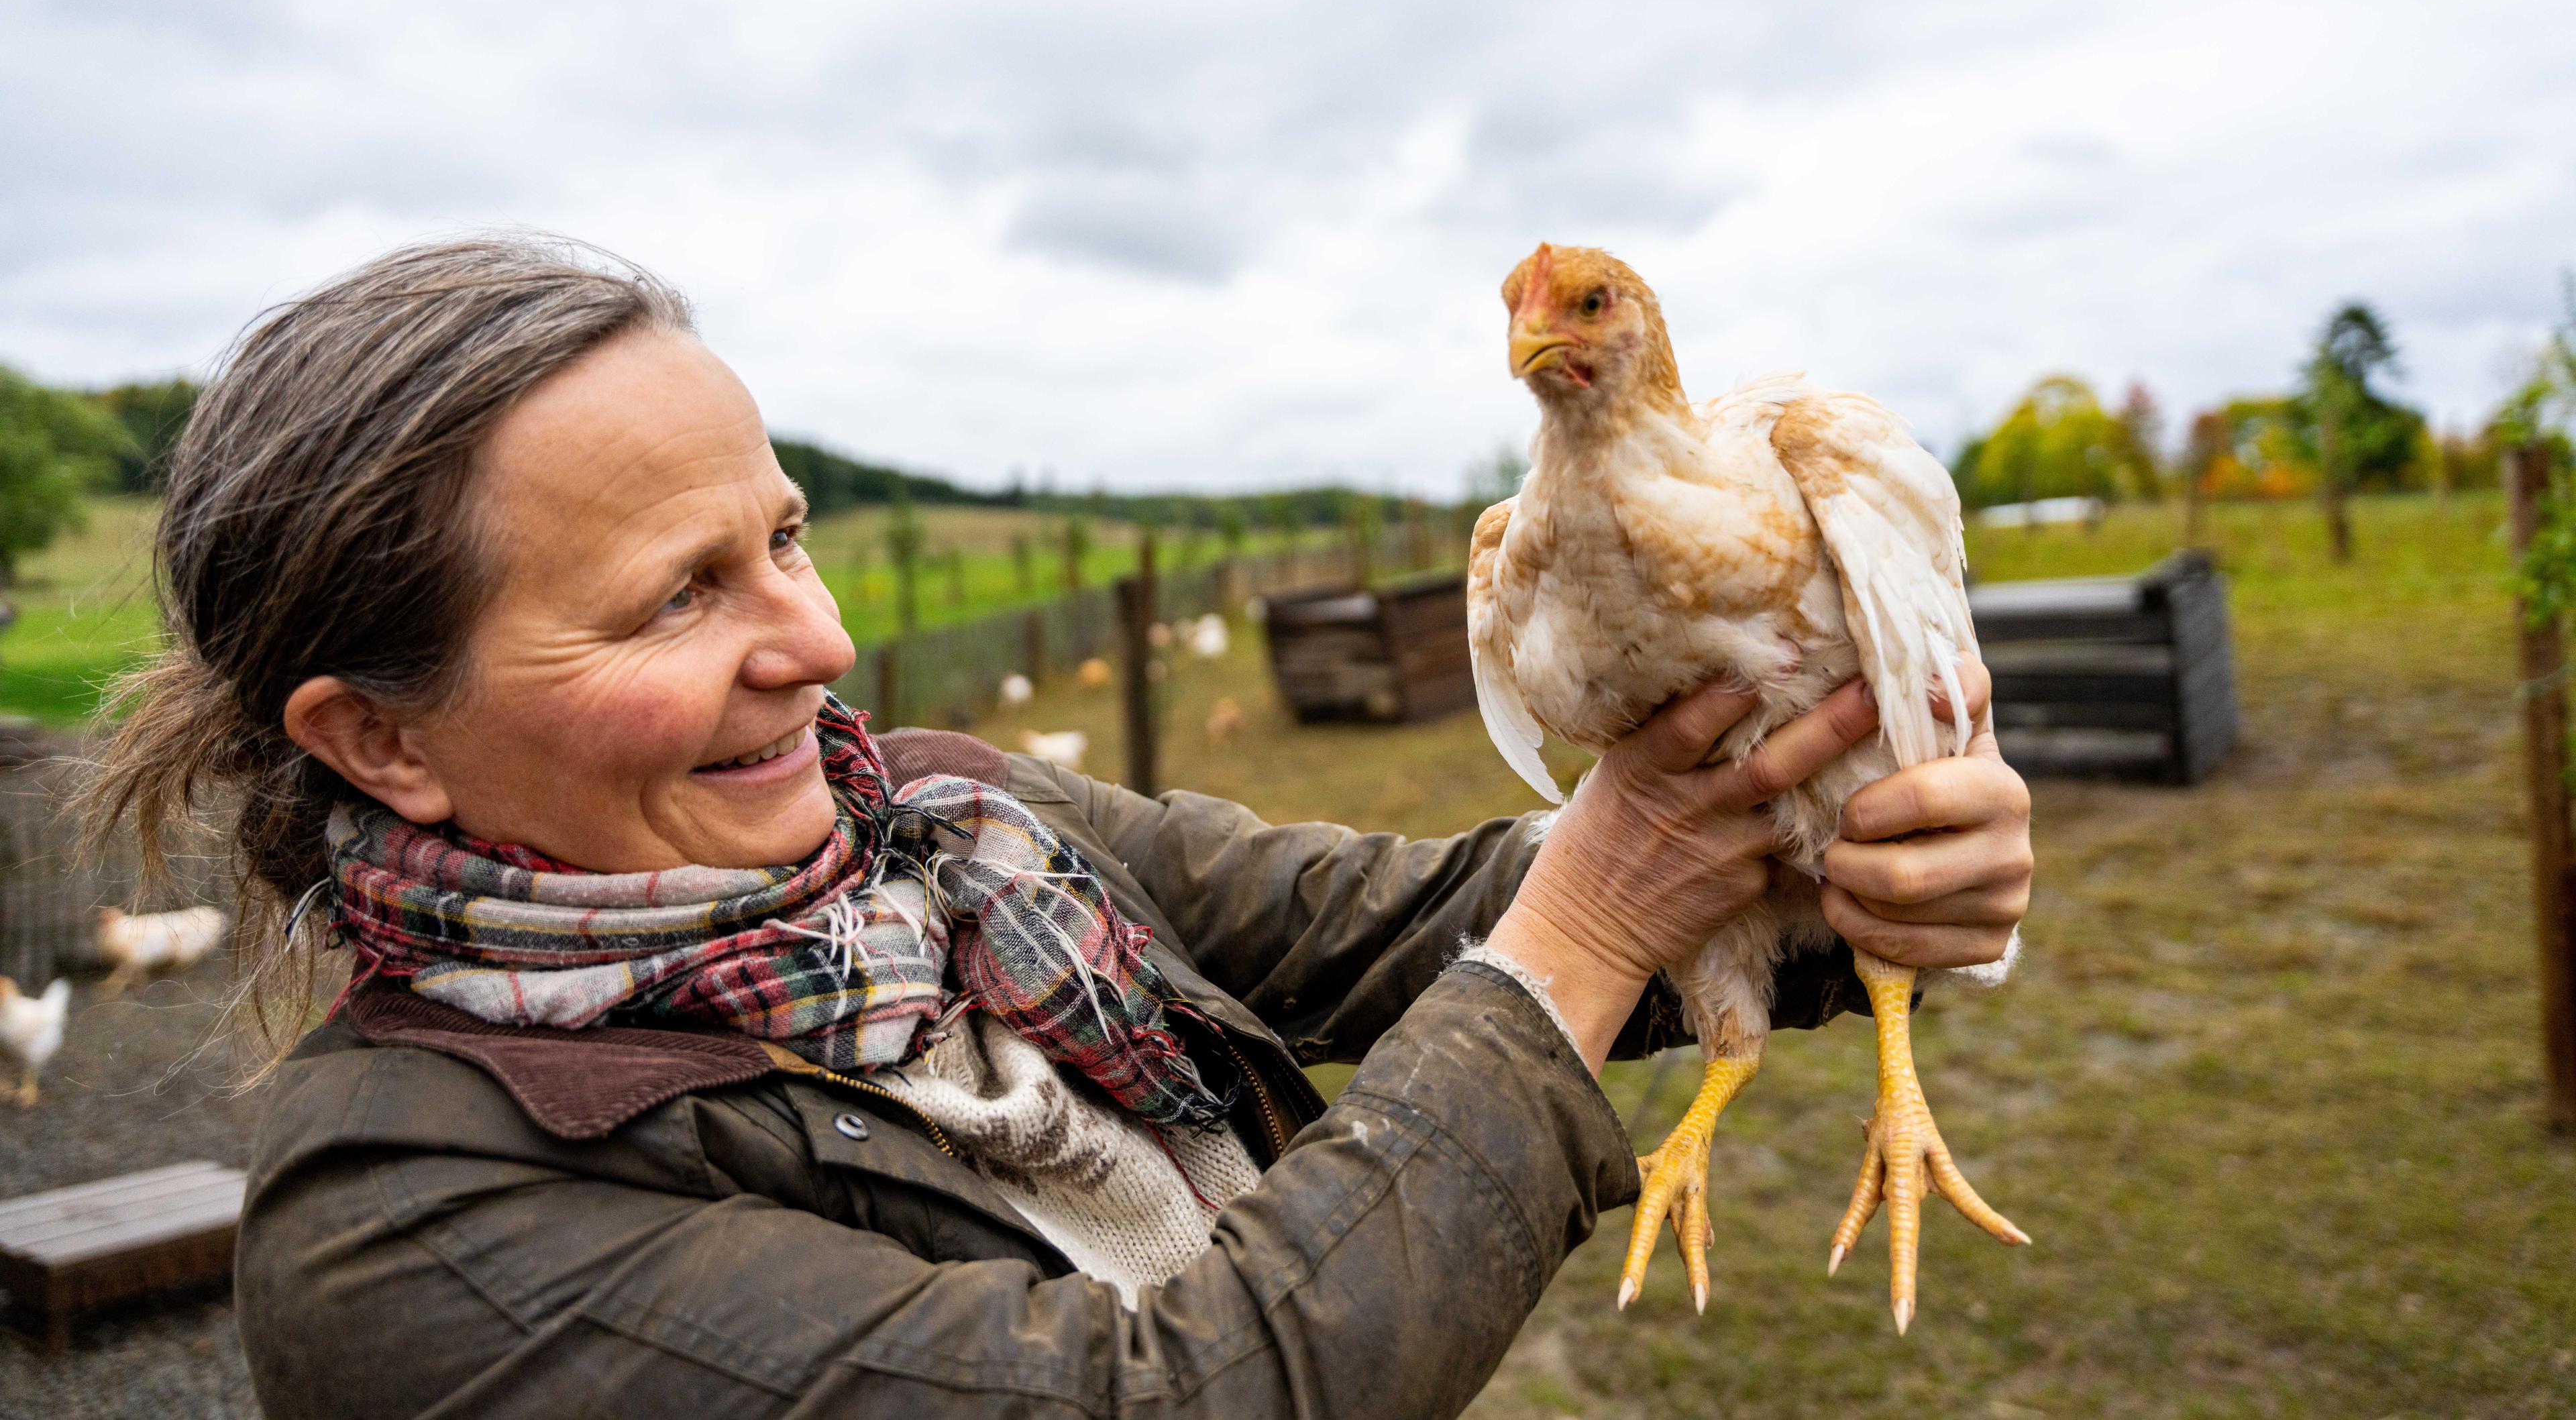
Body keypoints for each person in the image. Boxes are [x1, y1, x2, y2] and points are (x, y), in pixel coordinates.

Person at [87, 236, 2033, 1419]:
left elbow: (1396, 923)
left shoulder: (935, 825)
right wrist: (1606, 916)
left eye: (785, 539)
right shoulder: (423, 1241)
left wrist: (1836, 875)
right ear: (385, 743)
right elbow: (1183, 1398)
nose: (819, 641)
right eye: (681, 596)